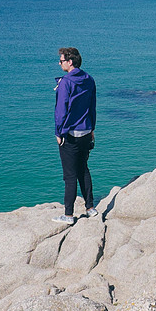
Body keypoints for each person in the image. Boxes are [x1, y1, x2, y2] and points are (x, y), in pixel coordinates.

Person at [52, 47, 97, 225]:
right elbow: (92, 106)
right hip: (86, 132)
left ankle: (68, 215)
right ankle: (90, 208)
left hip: (70, 134)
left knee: (69, 176)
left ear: (70, 62)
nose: (59, 63)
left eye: (61, 60)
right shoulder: (89, 80)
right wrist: (92, 127)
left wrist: (58, 132)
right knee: (83, 170)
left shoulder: (66, 82)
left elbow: (61, 111)